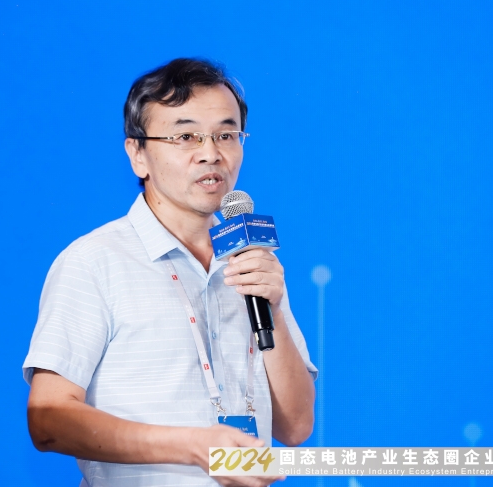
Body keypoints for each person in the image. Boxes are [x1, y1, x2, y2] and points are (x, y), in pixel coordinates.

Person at [23, 58, 317, 487]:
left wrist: (271, 307)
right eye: (186, 136)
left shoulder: (251, 261)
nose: (211, 153)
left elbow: (296, 426)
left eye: (226, 135)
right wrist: (191, 446)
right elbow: (47, 420)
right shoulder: (94, 262)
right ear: (137, 154)